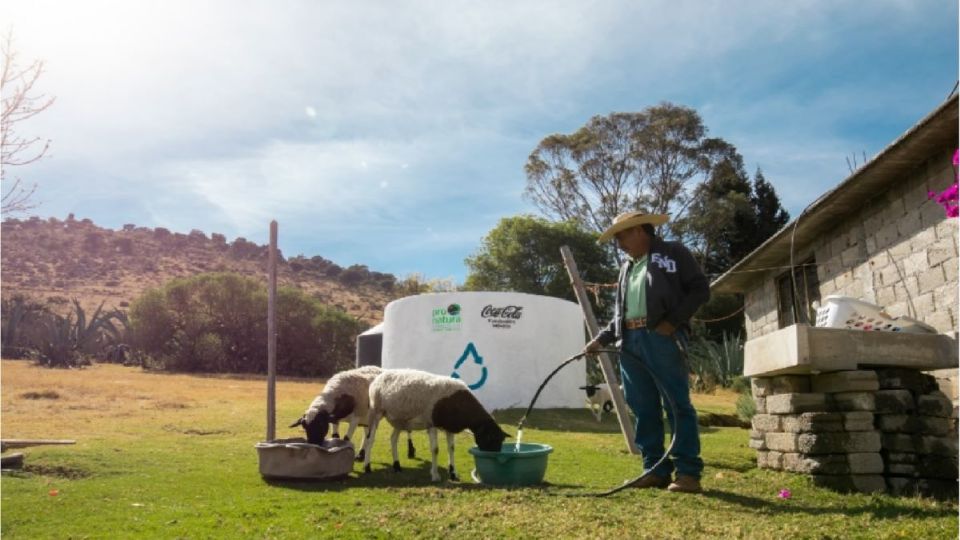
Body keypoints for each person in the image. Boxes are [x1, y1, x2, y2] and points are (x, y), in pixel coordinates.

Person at [584, 211, 710, 494]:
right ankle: (654, 469)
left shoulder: (673, 252)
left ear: (641, 230)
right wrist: (601, 338)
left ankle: (688, 473)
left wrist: (671, 322)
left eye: (622, 235)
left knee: (676, 405)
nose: (619, 243)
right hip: (629, 341)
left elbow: (700, 289)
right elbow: (620, 313)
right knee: (642, 407)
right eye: (616, 237)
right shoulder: (627, 266)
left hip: (662, 337)